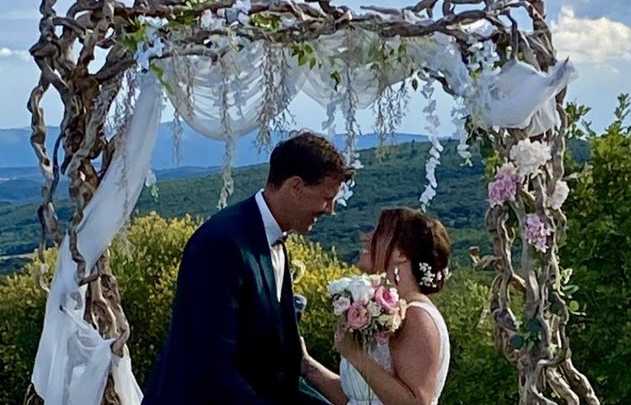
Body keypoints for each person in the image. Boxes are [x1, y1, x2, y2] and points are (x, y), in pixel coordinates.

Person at [142, 131, 353, 404]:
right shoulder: (221, 243)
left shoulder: (274, 239)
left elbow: (276, 363)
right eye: (326, 198)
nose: (330, 209)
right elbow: (209, 362)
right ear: (295, 186)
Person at [301, 207, 452, 405]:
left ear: (401, 253)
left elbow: (416, 402)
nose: (366, 237)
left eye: (379, 232)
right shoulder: (386, 311)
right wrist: (305, 364)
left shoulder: (417, 316)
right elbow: (358, 398)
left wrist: (355, 354)